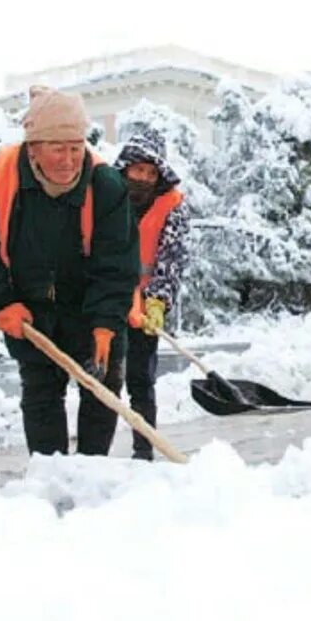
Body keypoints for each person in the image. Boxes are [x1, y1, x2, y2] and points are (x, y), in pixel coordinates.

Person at [0, 86, 139, 456]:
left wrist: (105, 324)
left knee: (101, 391)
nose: (70, 160)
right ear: (33, 147)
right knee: (40, 394)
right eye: (58, 148)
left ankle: (92, 473)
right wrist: (3, 301)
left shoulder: (105, 186)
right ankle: (49, 476)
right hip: (30, 308)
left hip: (92, 306)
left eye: (76, 147)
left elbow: (117, 264)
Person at [113, 130, 190, 461]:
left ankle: (143, 452)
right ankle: (93, 453)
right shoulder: (105, 198)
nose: (143, 178)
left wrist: (157, 302)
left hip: (146, 308)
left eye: (150, 172)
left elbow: (171, 259)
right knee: (104, 378)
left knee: (141, 380)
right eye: (137, 170)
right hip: (108, 303)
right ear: (126, 168)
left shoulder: (171, 207)